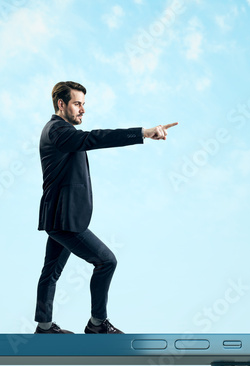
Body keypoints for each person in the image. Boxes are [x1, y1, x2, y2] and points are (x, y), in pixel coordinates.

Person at [33, 81, 176, 334]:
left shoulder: (57, 130)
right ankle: (97, 324)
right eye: (77, 104)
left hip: (58, 218)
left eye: (84, 104)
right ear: (61, 104)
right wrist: (143, 132)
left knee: (51, 272)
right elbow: (95, 138)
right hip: (65, 220)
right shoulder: (59, 131)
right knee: (106, 261)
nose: (82, 110)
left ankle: (44, 327)